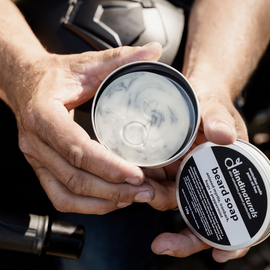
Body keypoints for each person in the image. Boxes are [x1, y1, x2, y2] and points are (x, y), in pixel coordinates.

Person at [0, 0, 270, 268]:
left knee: (100, 259)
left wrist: (212, 84)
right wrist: (22, 71)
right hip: (32, 87)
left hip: (150, 167)